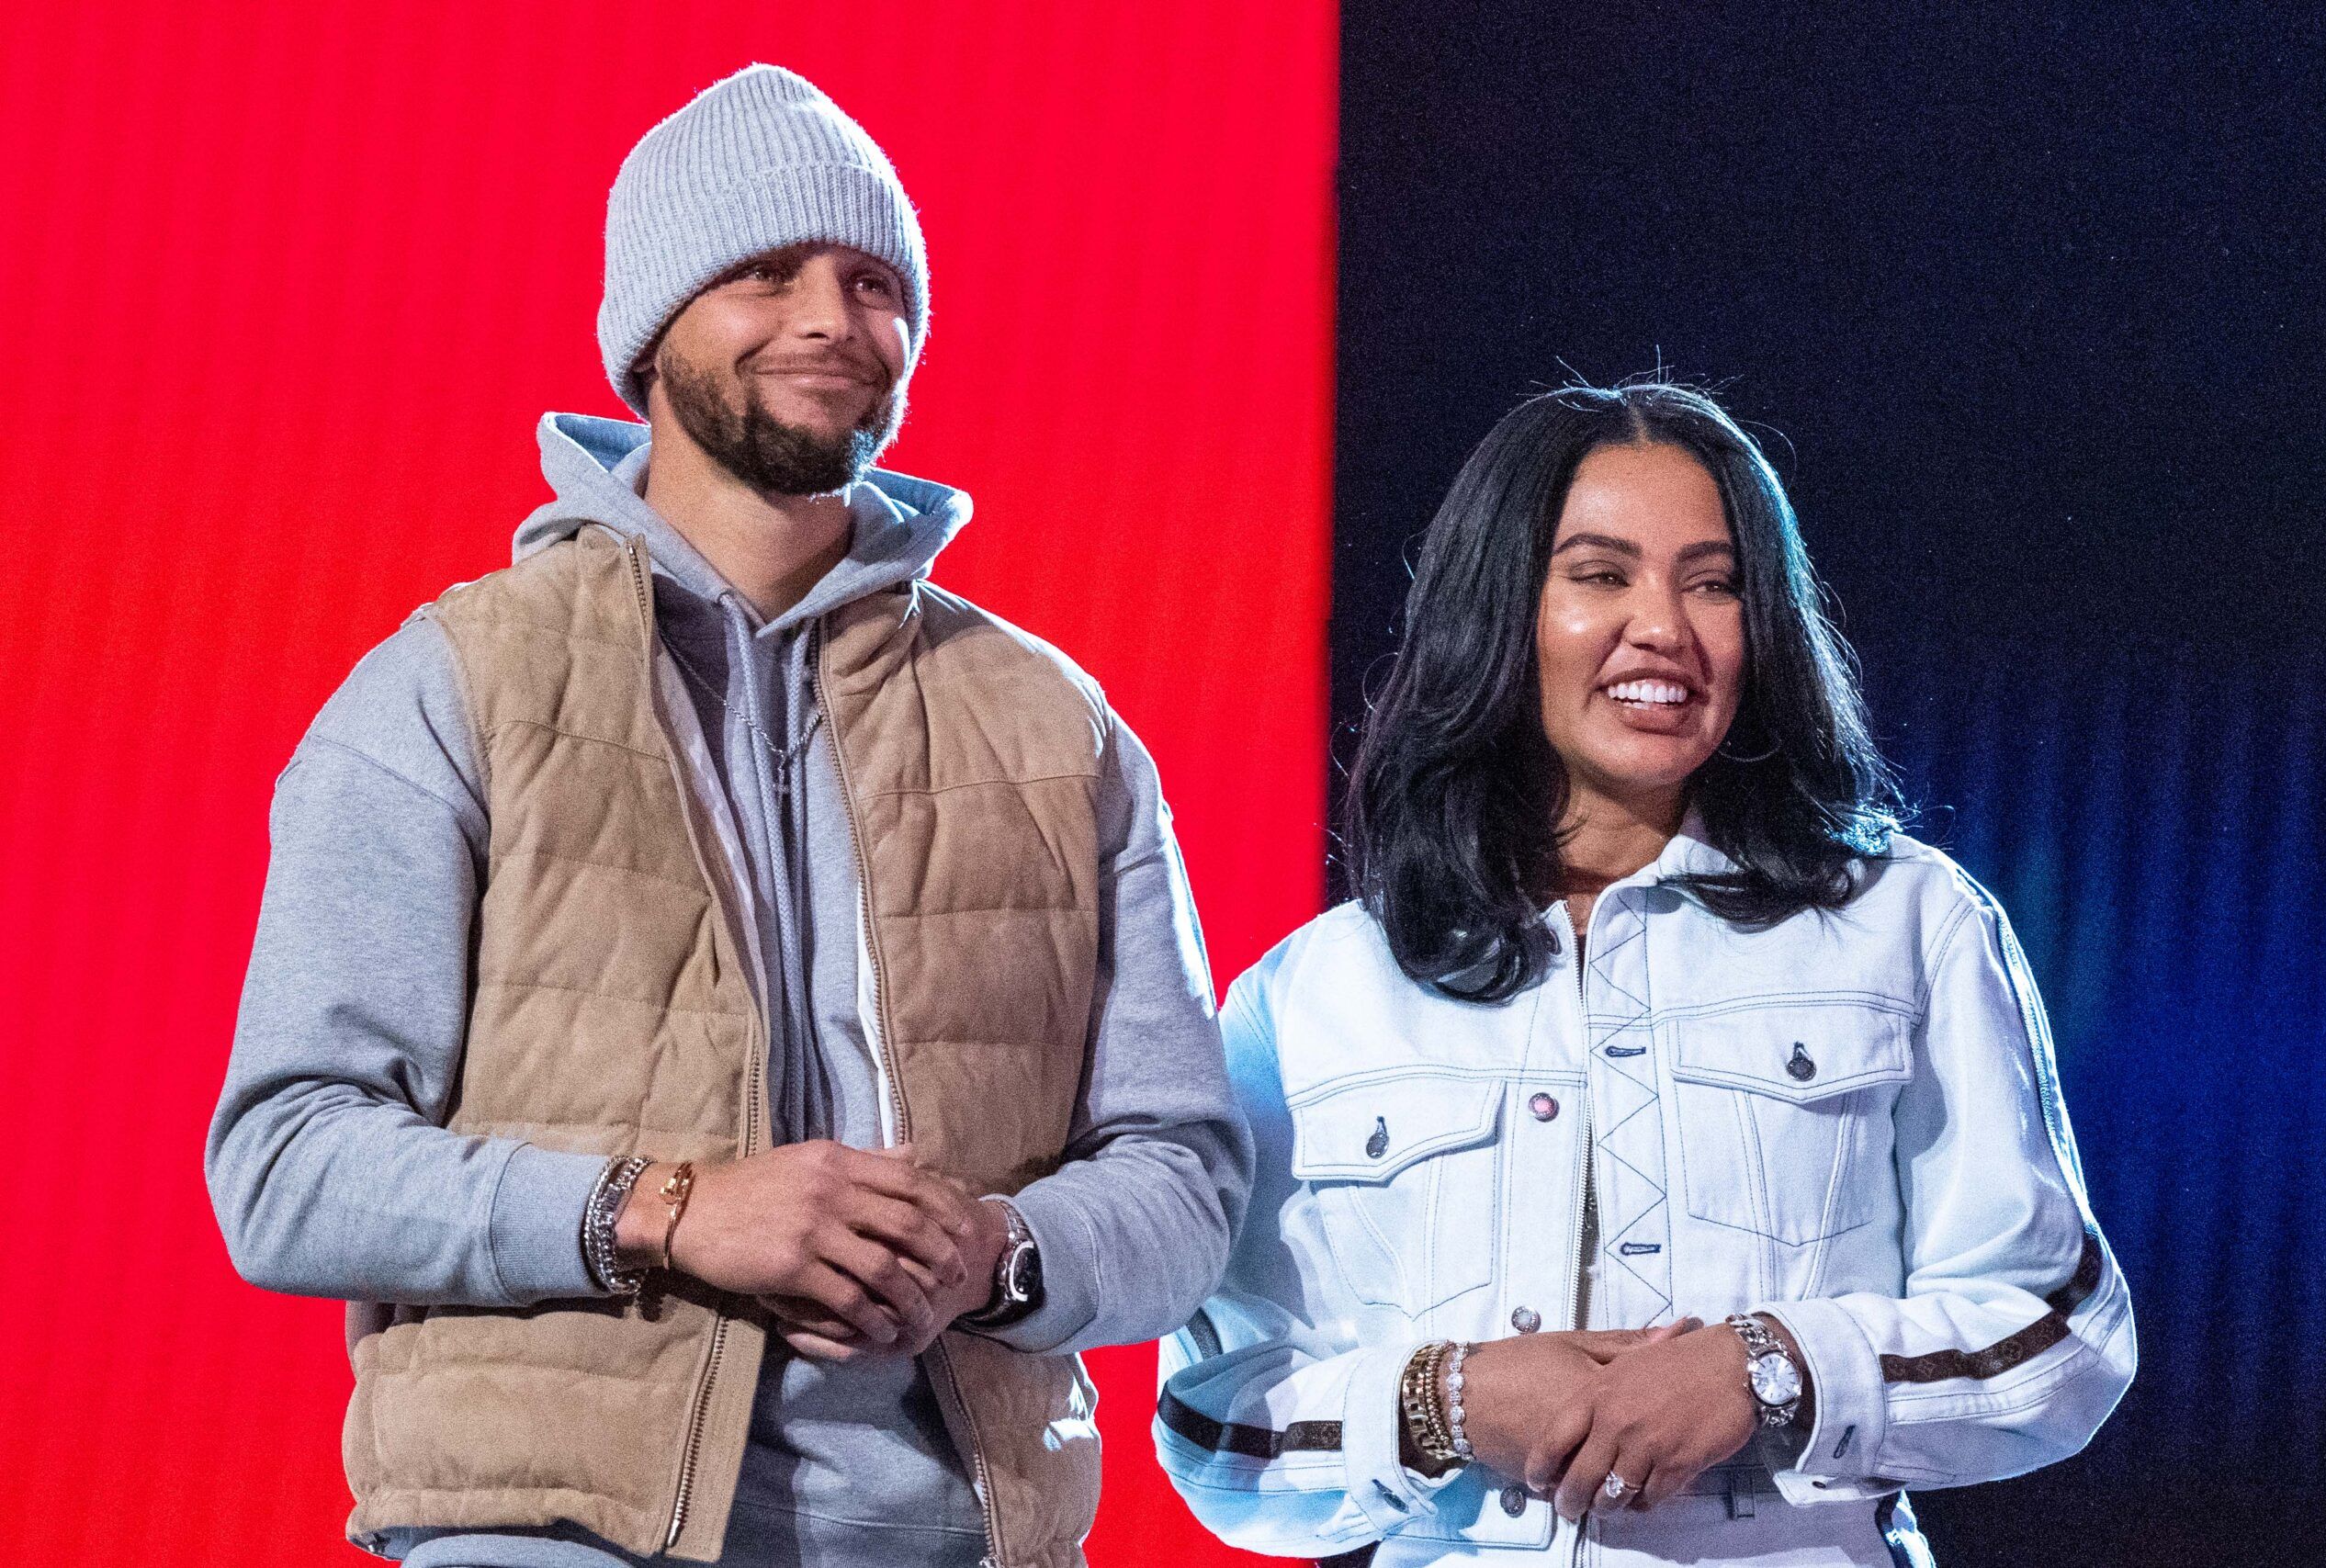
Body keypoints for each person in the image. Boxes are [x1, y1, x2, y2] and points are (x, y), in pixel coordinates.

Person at [206, 64, 1247, 1568]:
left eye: (873, 281)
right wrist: (670, 1211)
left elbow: (1183, 1173)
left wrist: (999, 1254)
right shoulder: (453, 683)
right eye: (767, 274)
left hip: (959, 1536)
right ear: (652, 333)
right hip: (550, 1531)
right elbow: (287, 1168)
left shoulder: (1054, 724)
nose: (832, 318)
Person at [1155, 381, 2134, 1566]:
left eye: (1714, 582)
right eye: (1602, 574)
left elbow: (2058, 1336)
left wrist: (1771, 1370)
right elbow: (1216, 1427)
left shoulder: (1909, 922)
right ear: (1501, 607)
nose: (1665, 626)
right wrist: (1448, 1400)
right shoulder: (1311, 995)